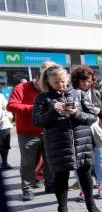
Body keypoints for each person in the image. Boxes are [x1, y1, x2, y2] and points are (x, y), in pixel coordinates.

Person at [32, 66, 100, 212]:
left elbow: (92, 118)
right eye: (56, 82)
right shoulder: (43, 98)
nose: (61, 85)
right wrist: (53, 112)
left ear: (68, 79)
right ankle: (62, 210)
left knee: (85, 175)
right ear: (48, 82)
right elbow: (37, 122)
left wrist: (75, 113)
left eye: (63, 81)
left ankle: (91, 204)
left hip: (81, 142)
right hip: (58, 144)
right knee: (61, 178)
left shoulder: (79, 94)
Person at [7, 61, 57, 200]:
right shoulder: (22, 87)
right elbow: (11, 106)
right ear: (40, 74)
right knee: (28, 163)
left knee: (50, 160)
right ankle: (27, 188)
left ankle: (50, 184)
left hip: (49, 131)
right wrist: (35, 108)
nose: (50, 78)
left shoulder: (53, 87)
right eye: (47, 75)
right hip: (28, 132)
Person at [70, 66, 102, 201]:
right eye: (82, 81)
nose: (86, 84)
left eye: (89, 81)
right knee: (80, 162)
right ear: (76, 81)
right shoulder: (71, 93)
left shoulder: (97, 93)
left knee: (100, 159)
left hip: (97, 130)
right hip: (79, 132)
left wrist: (100, 111)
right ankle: (83, 189)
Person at [0, 93, 12, 169]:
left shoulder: (0, 95)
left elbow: (8, 107)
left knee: (5, 145)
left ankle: (4, 163)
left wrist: (8, 116)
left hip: (3, 125)